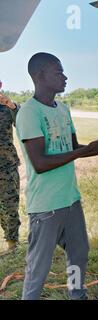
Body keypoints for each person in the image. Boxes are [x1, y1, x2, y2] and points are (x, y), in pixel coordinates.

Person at [16, 52, 98, 300]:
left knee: (79, 254)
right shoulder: (29, 113)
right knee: (38, 269)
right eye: (58, 72)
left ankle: (78, 295)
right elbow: (40, 163)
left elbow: (76, 149)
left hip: (71, 200)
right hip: (46, 205)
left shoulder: (62, 109)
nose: (65, 77)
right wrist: (82, 151)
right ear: (40, 76)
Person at [0, 92, 21, 256]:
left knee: (9, 205)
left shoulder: (7, 108)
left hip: (6, 166)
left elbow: (23, 123)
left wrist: (13, 106)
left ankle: (12, 243)